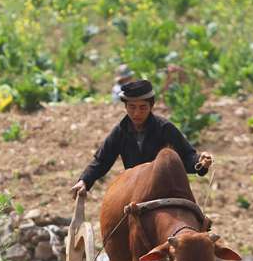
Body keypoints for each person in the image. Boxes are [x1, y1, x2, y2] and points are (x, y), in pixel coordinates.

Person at [71, 79, 213, 199]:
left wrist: (200, 162)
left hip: (165, 190)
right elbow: (102, 161)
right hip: (135, 190)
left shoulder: (165, 128)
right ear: (125, 106)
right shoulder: (120, 132)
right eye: (132, 107)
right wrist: (84, 181)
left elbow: (187, 156)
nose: (136, 113)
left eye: (142, 107)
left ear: (151, 106)